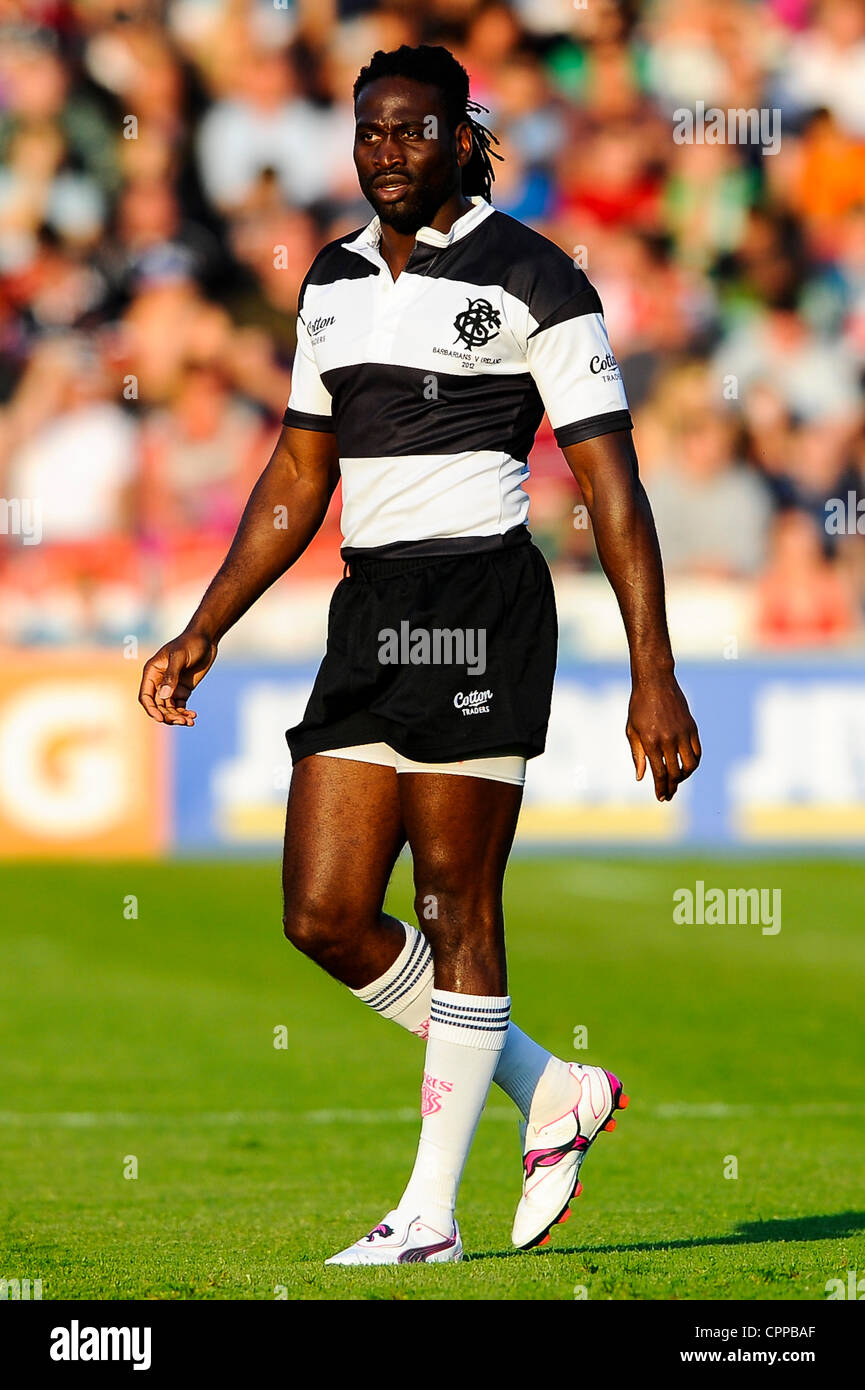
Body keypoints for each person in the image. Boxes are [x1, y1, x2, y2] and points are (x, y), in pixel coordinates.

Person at [139, 44, 701, 1265]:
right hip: (372, 608)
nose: (385, 151)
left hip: (483, 603)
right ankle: (552, 1088)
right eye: (370, 131)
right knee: (323, 913)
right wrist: (204, 624)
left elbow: (610, 481)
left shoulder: (536, 276)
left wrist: (653, 668)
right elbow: (298, 472)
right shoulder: (331, 283)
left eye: (411, 131)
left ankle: (429, 1217)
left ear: (460, 135)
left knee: (455, 905)